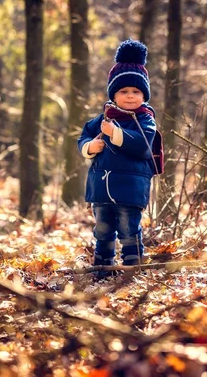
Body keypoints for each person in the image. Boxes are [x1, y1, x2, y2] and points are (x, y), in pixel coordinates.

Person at [77, 39, 158, 279]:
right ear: (114, 94)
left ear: (144, 95)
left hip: (130, 190)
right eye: (124, 91)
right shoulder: (102, 118)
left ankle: (132, 268)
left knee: (128, 229)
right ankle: (103, 267)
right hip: (101, 188)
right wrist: (90, 146)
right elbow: (83, 137)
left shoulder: (145, 120)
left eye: (136, 91)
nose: (130, 96)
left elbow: (143, 145)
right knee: (102, 230)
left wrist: (116, 133)